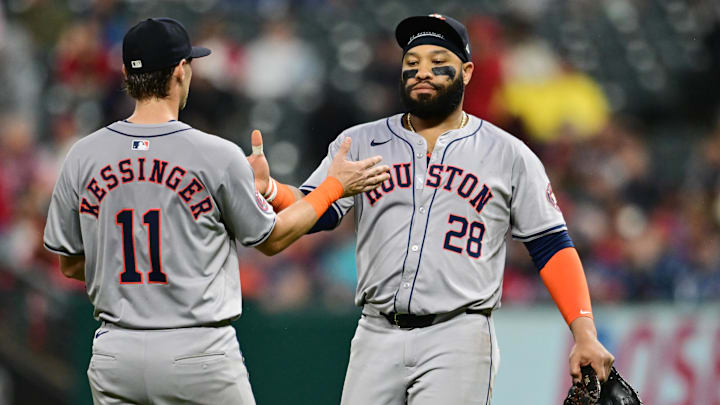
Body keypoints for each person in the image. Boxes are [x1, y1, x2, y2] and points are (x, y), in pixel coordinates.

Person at [249, 14, 615, 404]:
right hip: (376, 333)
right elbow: (315, 210)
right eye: (412, 63)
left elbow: (551, 245)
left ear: (467, 71)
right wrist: (269, 189)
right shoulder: (359, 142)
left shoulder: (507, 153)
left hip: (458, 335)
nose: (422, 71)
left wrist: (584, 332)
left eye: (438, 61)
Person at [42, 17, 389, 405]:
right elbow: (273, 239)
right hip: (196, 350)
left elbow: (70, 264)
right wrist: (334, 186)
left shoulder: (82, 155)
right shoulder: (214, 154)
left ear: (126, 73)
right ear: (180, 71)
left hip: (115, 352)